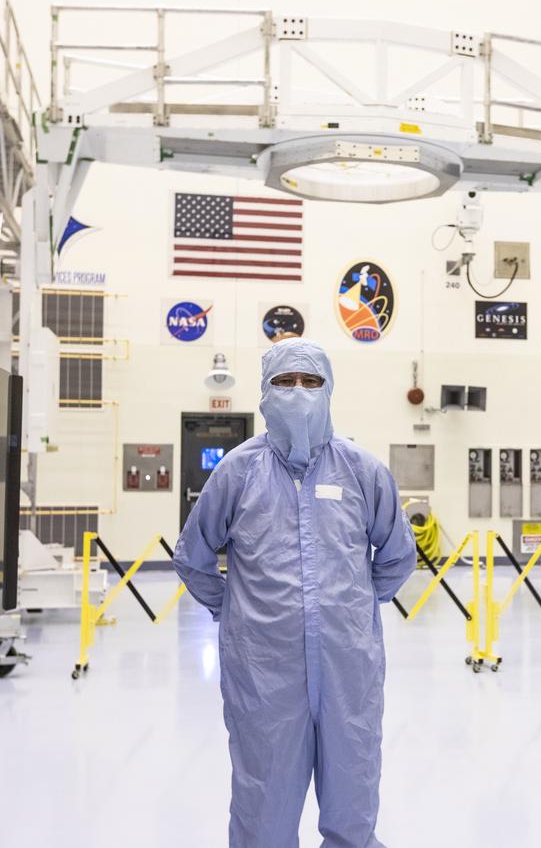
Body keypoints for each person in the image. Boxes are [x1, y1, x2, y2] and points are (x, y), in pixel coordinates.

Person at [174, 337, 416, 847]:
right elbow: (193, 557)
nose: (299, 393)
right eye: (285, 382)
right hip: (263, 674)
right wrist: (235, 610)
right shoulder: (237, 472)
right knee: (264, 805)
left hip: (348, 670)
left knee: (353, 799)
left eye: (311, 382)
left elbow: (396, 555)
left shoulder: (363, 471)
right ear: (264, 392)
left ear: (330, 390)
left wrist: (353, 609)